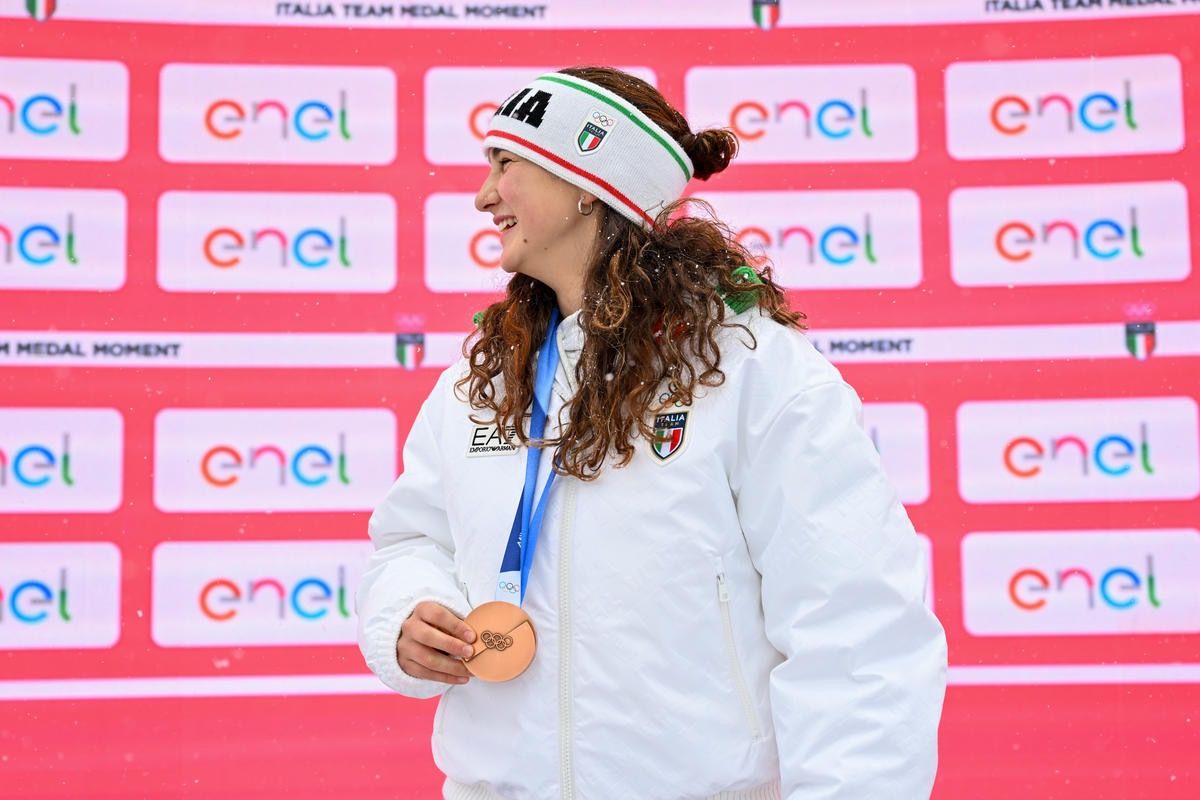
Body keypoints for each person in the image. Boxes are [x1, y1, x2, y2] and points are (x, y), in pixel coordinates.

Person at [357, 66, 947, 799]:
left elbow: (857, 630)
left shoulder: (748, 369)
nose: (483, 196)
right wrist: (407, 615)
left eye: (506, 164)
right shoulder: (484, 381)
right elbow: (413, 542)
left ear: (586, 183)